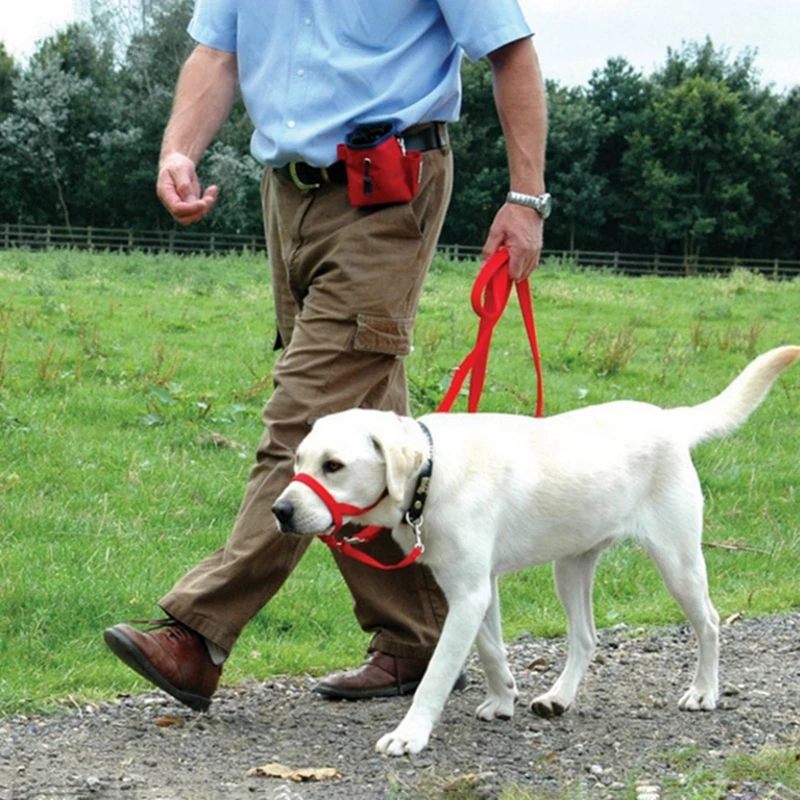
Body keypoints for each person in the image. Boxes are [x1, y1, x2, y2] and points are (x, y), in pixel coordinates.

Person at [103, 0, 549, 711]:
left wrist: (526, 197)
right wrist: (178, 150)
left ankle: (199, 632)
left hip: (388, 188)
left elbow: (511, 50)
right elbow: (216, 52)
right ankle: (418, 636)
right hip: (285, 195)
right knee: (364, 423)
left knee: (304, 420)